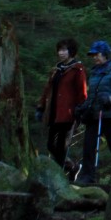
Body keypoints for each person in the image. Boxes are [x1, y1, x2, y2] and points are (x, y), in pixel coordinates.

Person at [75, 40, 111, 186]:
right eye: (93, 55)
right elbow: (92, 95)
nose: (94, 58)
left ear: (104, 54)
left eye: (96, 54)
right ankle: (87, 176)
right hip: (95, 114)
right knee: (89, 145)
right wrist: (83, 107)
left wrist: (110, 99)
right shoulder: (94, 72)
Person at [35, 38, 87, 170]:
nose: (61, 53)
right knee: (50, 145)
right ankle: (73, 167)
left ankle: (59, 174)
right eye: (59, 50)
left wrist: (80, 110)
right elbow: (48, 90)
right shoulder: (57, 69)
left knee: (62, 146)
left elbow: (82, 92)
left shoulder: (77, 69)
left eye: (64, 50)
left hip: (68, 114)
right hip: (54, 112)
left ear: (71, 51)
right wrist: (41, 107)